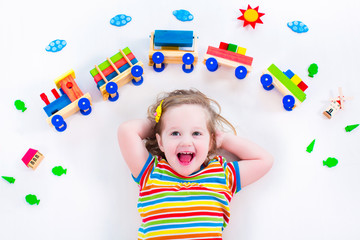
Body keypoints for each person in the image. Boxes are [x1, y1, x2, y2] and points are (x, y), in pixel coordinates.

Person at [118, 89, 273, 240]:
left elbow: (263, 160)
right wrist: (159, 122)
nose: (186, 141)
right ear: (161, 142)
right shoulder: (151, 173)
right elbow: (127, 131)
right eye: (175, 133)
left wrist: (224, 139)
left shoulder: (221, 175)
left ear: (211, 141)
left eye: (196, 133)